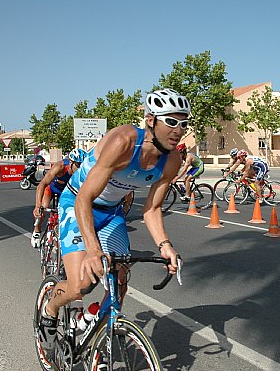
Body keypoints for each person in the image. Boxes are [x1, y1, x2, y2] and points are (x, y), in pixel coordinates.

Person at [37, 88, 187, 351]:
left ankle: (100, 345)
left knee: (119, 282)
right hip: (77, 203)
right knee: (81, 285)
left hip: (111, 212)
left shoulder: (172, 160)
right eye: (171, 121)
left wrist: (165, 245)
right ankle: (50, 309)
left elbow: (152, 209)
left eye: (184, 124)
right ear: (151, 120)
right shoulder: (123, 142)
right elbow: (84, 197)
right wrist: (93, 250)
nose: (178, 130)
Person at [31, 148, 87, 247]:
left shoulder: (83, 172)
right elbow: (42, 184)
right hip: (51, 188)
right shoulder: (60, 166)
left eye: (82, 165)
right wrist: (38, 205)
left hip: (66, 192)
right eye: (78, 165)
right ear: (71, 162)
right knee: (43, 208)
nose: (80, 168)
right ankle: (37, 230)